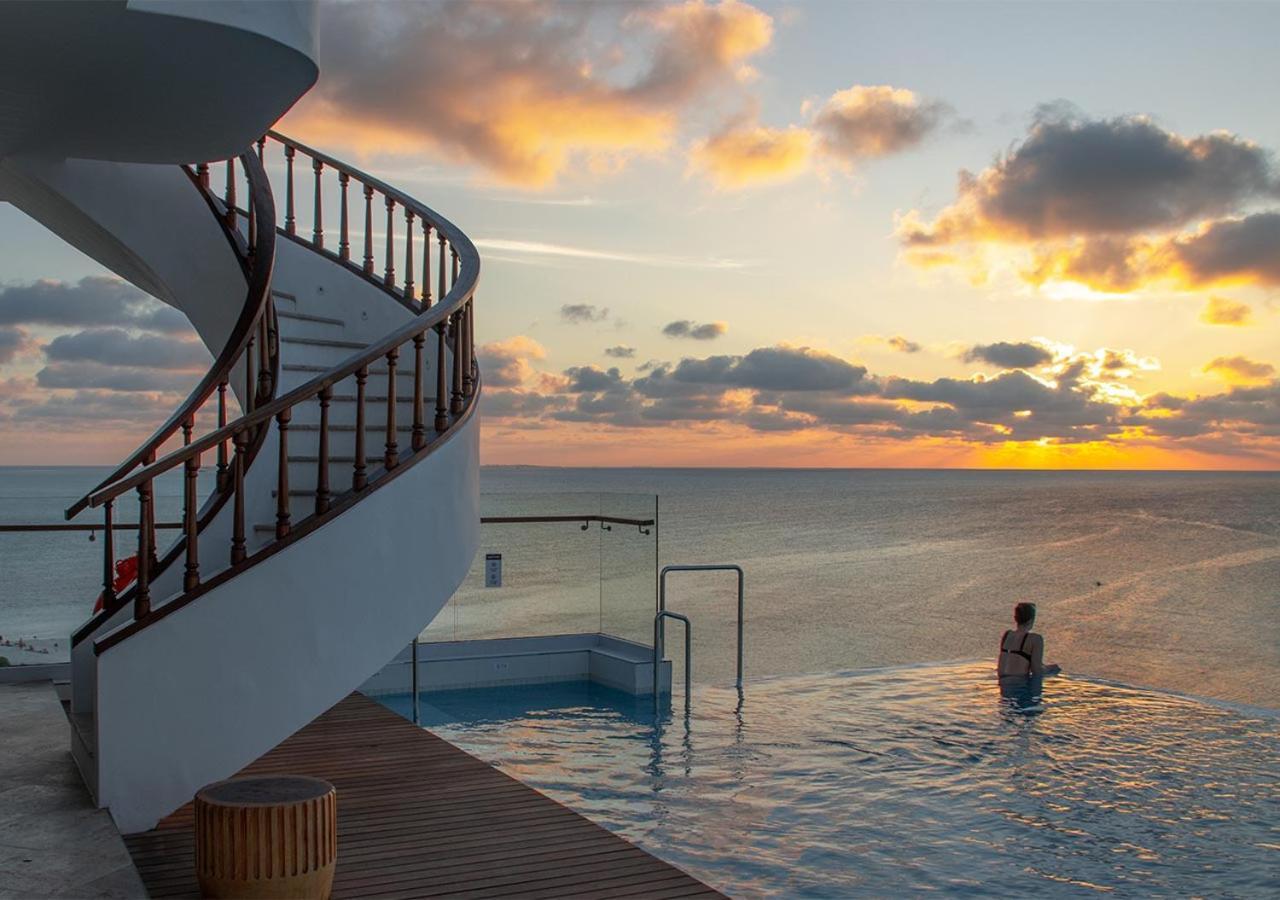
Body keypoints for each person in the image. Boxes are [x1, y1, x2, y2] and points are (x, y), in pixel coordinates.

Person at [997, 602, 1060, 681]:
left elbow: (1016, 661)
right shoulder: (1035, 639)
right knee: (1055, 669)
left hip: (1002, 682)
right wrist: (1052, 670)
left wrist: (1045, 667)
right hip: (1019, 684)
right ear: (1031, 620)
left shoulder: (1007, 635)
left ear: (1015, 618)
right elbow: (1037, 671)